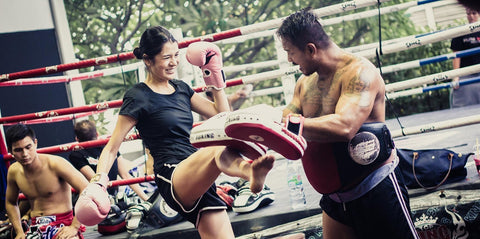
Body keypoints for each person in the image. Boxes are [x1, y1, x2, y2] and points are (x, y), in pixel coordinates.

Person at [75, 26, 275, 238]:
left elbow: (222, 116)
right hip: (171, 174)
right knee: (215, 147)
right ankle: (249, 172)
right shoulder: (137, 96)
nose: (174, 62)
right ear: (147, 60)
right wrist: (98, 181)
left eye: (176, 55)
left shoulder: (181, 88)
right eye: (166, 57)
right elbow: (112, 147)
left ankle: (252, 176)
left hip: (198, 174)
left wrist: (214, 75)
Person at [276, 9, 419, 238]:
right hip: (335, 199)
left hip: (374, 188)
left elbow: (345, 127)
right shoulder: (304, 83)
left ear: (310, 49)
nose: (289, 60)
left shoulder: (359, 73)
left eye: (290, 52)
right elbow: (284, 119)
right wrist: (257, 127)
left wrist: (287, 124)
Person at [4, 123, 89, 239]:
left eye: (28, 147)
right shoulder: (14, 171)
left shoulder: (56, 164)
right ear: (10, 151)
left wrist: (74, 226)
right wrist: (19, 232)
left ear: (35, 143)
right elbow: (10, 202)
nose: (25, 154)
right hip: (35, 227)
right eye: (18, 150)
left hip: (62, 225)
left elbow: (86, 188)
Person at [68, 119, 149, 201]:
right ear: (97, 134)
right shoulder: (109, 147)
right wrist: (146, 199)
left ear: (77, 139)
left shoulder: (108, 148)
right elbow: (95, 181)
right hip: (97, 199)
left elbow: (96, 180)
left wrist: (147, 200)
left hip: (103, 198)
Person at [450, 7, 480, 108]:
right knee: (460, 90)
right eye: (468, 14)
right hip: (466, 74)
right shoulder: (461, 33)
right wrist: (456, 76)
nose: (471, 16)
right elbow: (456, 56)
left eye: (474, 13)